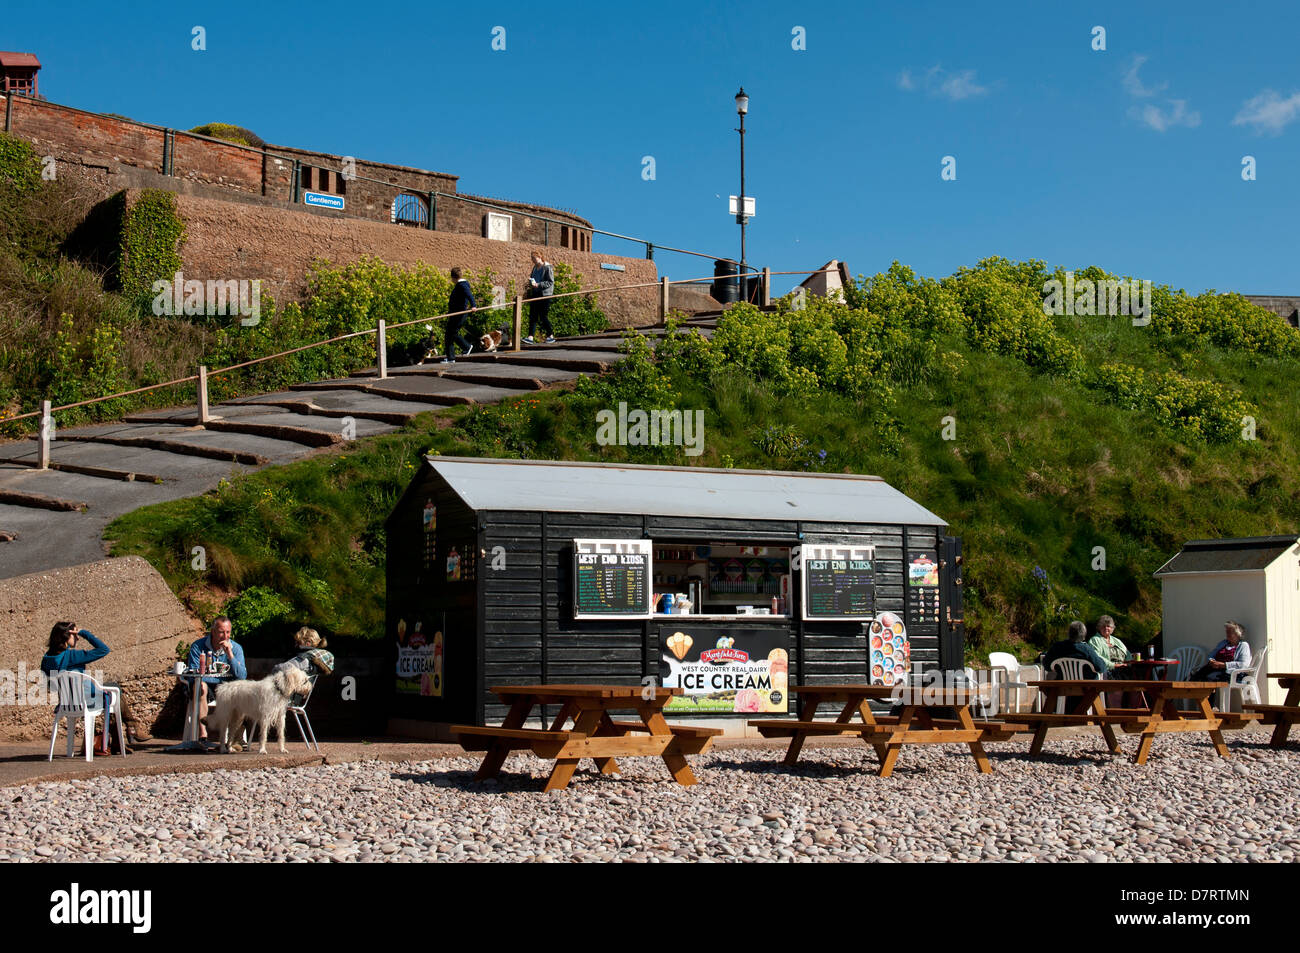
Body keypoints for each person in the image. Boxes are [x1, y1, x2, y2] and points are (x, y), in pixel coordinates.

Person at [41, 621, 153, 753]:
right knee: (115, 690)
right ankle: (131, 728)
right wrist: (84, 633)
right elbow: (103, 649)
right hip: (87, 701)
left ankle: (122, 737)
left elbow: (51, 686)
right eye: (75, 634)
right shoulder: (72, 656)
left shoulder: (46, 659)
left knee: (112, 689)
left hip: (67, 703)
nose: (77, 638)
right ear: (66, 636)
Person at [185, 616, 247, 741]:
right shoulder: (198, 646)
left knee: (242, 691)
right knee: (200, 686)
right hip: (207, 688)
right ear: (213, 631)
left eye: (228, 632)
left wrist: (230, 655)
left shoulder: (236, 648)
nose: (225, 636)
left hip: (227, 688)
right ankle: (203, 734)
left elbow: (241, 676)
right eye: (221, 632)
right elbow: (194, 674)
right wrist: (213, 679)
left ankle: (235, 737)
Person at [273, 626, 334, 705]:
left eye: (298, 642)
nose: (295, 645)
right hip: (295, 698)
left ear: (307, 643)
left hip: (283, 698)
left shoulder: (304, 659)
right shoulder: (316, 659)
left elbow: (278, 669)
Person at [442, 267, 476, 363]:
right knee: (451, 334)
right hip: (456, 314)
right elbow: (458, 301)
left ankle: (464, 349)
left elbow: (469, 295)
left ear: (453, 277)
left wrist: (473, 305)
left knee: (450, 334)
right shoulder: (461, 284)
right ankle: (452, 356)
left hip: (460, 314)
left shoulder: (462, 285)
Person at [523, 251, 555, 345]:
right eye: (532, 258)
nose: (533, 260)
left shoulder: (547, 267)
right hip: (535, 294)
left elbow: (550, 282)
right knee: (533, 315)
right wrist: (531, 282)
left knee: (543, 316)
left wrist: (538, 284)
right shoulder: (535, 268)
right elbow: (534, 279)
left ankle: (550, 335)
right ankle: (530, 337)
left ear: (540, 257)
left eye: (534, 258)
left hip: (545, 295)